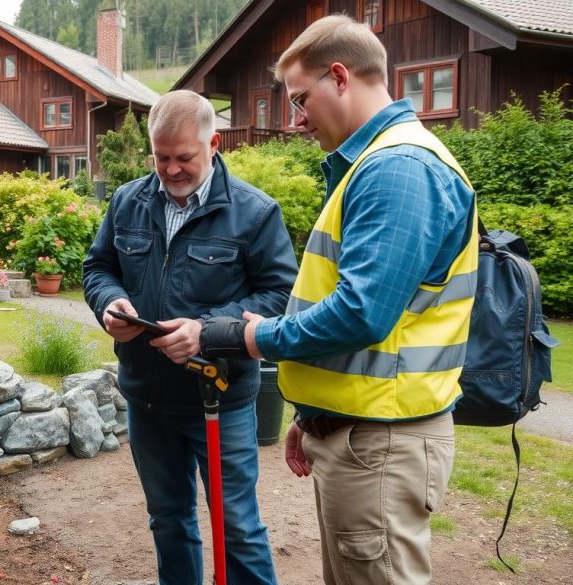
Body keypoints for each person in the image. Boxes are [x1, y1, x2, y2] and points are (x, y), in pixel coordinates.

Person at [197, 15, 479, 585]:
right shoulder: (376, 164)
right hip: (361, 429)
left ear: (341, 77)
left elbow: (362, 312)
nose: (297, 120)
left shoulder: (396, 169)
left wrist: (253, 336)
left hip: (382, 442)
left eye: (301, 99)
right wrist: (317, 413)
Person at [83, 89, 297, 585]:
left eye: (184, 158)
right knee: (168, 519)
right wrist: (108, 303)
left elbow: (281, 296)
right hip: (146, 396)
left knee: (237, 526)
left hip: (219, 398)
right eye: (161, 158)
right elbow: (98, 268)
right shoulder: (127, 201)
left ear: (214, 143)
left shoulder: (256, 212)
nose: (172, 170)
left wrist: (207, 332)